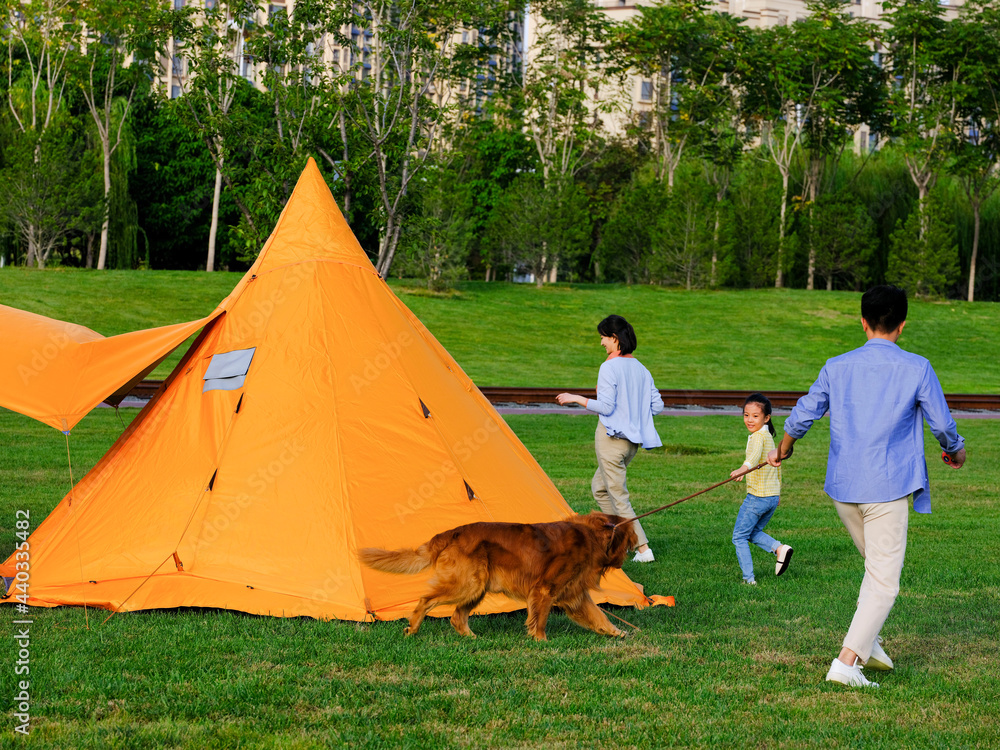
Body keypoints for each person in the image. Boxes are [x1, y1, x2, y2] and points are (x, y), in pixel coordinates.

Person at [768, 285, 966, 688]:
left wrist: (785, 446)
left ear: (863, 321)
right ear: (903, 324)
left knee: (874, 570)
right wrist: (955, 451)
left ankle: (870, 643)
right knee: (885, 581)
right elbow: (943, 426)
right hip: (888, 488)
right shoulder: (917, 366)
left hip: (845, 489)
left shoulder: (837, 365)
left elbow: (805, 411)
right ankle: (847, 661)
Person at [556, 315, 664, 563]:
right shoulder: (642, 369)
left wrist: (576, 398)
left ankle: (642, 549)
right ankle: (618, 538)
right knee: (600, 488)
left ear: (615, 339)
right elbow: (657, 406)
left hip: (611, 441)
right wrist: (633, 408)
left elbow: (605, 407)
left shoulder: (609, 367)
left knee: (618, 496)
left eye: (603, 337)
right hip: (631, 445)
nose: (601, 342)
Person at [729, 393, 793, 585]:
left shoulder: (758, 437)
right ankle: (779, 548)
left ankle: (749, 579)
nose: (749, 419)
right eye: (746, 415)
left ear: (766, 417)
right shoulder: (768, 436)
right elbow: (777, 464)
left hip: (758, 497)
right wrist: (778, 492)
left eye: (755, 416)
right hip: (771, 497)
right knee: (753, 532)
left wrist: (743, 468)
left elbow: (755, 456)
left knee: (739, 536)